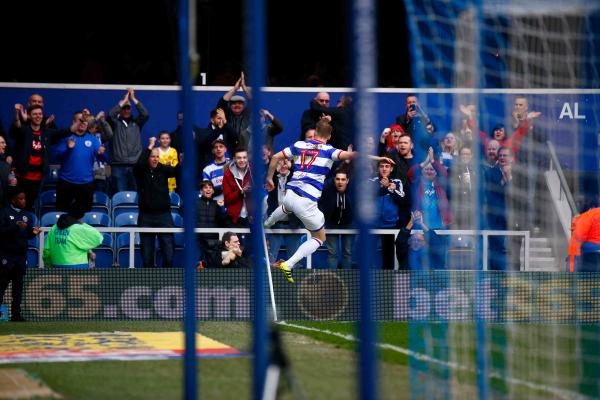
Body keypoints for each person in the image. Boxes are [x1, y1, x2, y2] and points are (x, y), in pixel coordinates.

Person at [264, 120, 357, 282]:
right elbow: (352, 156)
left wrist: (269, 178)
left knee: (287, 206)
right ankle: (288, 264)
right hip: (306, 202)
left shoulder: (299, 145)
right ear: (329, 136)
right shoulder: (329, 150)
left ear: (315, 132)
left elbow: (275, 157)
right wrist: (378, 157)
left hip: (290, 195)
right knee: (320, 238)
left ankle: (267, 223)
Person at [9, 104, 73, 210]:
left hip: (38, 179)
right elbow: (17, 125)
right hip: (21, 177)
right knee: (17, 205)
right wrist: (17, 113)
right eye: (35, 114)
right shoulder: (25, 130)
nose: (38, 116)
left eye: (40, 114)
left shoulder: (46, 132)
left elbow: (66, 131)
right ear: (29, 116)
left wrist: (80, 121)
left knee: (29, 205)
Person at [134, 137, 179, 268]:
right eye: (152, 156)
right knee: (146, 255)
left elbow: (177, 171)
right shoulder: (141, 171)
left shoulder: (164, 169)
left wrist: (181, 162)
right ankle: (149, 277)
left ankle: (167, 276)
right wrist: (150, 146)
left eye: (157, 156)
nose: (155, 159)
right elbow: (138, 165)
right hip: (146, 216)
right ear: (148, 157)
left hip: (164, 216)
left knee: (168, 253)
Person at [0, 187, 40, 321]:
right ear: (13, 200)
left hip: (21, 256)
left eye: (24, 198)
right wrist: (16, 226)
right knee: (2, 285)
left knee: (18, 288)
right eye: (21, 199)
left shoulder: (27, 215)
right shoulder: (4, 213)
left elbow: (27, 234)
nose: (24, 201)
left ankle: (16, 315)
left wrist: (33, 233)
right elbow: (2, 232)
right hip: (6, 255)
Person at [55, 111, 104, 212]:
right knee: (62, 213)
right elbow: (57, 156)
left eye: (85, 121)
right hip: (66, 183)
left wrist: (101, 154)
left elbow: (103, 158)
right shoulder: (66, 137)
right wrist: (68, 148)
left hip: (86, 184)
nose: (83, 123)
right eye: (80, 120)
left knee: (85, 215)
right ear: (74, 122)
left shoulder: (93, 139)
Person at [107, 87, 150, 192]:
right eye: (124, 108)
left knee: (136, 195)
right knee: (120, 195)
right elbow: (110, 115)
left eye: (128, 108)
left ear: (131, 110)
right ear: (120, 110)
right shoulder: (115, 123)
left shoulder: (137, 123)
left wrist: (133, 99)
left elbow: (145, 114)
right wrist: (124, 101)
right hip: (118, 166)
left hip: (135, 165)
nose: (126, 110)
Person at [265, 158, 303, 265]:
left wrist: (291, 166)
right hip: (276, 223)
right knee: (271, 258)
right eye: (280, 163)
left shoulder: (295, 178)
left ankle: (294, 276)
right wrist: (274, 169)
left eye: (285, 162)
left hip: (293, 223)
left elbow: (300, 173)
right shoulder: (272, 179)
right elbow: (266, 175)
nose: (283, 165)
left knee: (293, 259)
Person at [43, 201, 102, 268]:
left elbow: (47, 251)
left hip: (57, 266)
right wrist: (83, 224)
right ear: (81, 216)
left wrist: (48, 266)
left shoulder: (54, 228)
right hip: (78, 267)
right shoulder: (79, 228)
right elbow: (99, 238)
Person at [319, 168, 355, 269]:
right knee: (332, 253)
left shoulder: (353, 191)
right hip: (331, 224)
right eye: (338, 179)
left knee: (347, 252)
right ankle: (332, 277)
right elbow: (319, 203)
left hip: (349, 225)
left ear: (347, 181)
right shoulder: (327, 190)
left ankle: (347, 277)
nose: (340, 182)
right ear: (334, 180)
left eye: (343, 179)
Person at [195, 180, 226, 266]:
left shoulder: (217, 204)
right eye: (205, 187)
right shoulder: (195, 203)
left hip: (214, 240)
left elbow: (223, 220)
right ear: (201, 191)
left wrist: (222, 208)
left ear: (213, 191)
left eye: (210, 187)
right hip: (198, 240)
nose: (208, 189)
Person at [222, 147, 253, 227]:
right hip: (234, 217)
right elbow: (227, 199)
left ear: (247, 158)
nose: (242, 160)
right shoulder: (228, 174)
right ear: (234, 159)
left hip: (251, 217)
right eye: (239, 158)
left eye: (244, 157)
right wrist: (240, 192)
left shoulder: (253, 172)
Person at [215, 72, 251, 139]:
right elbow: (222, 103)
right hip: (229, 144)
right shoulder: (227, 113)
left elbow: (254, 103)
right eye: (234, 103)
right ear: (230, 105)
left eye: (239, 103)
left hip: (245, 144)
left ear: (244, 105)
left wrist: (244, 87)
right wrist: (235, 89)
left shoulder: (248, 113)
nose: (237, 105)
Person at [568, 204, 600, 272]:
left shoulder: (589, 215)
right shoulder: (594, 214)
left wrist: (571, 270)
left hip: (591, 253)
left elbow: (578, 237)